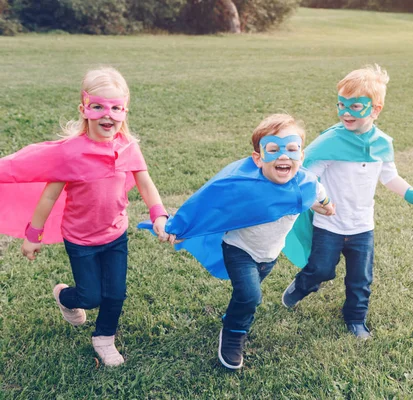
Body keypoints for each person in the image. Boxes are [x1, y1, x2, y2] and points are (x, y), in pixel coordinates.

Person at [0, 67, 169, 366]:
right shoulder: (70, 153)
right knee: (90, 297)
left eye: (116, 108)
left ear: (125, 111)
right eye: (99, 106)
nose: (108, 115)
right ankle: (65, 296)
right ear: (84, 109)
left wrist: (159, 214)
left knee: (115, 293)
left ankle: (104, 337)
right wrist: (33, 235)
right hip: (80, 240)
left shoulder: (128, 147)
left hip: (115, 235)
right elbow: (49, 196)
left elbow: (145, 183)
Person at [156, 114, 334, 370]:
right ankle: (233, 333)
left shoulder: (307, 184)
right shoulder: (244, 185)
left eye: (291, 149)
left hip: (269, 255)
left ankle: (234, 314)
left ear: (301, 156)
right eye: (273, 150)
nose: (283, 156)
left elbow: (319, 195)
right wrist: (182, 229)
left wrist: (326, 206)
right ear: (258, 158)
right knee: (250, 296)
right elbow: (210, 203)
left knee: (244, 296)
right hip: (239, 249)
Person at [282, 64, 413, 339]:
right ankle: (303, 284)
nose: (345, 112)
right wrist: (314, 201)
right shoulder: (331, 142)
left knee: (361, 279)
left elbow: (390, 177)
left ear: (375, 110)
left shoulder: (382, 144)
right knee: (321, 269)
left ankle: (355, 318)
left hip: (362, 226)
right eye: (341, 105)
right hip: (330, 223)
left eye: (355, 106)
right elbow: (306, 176)